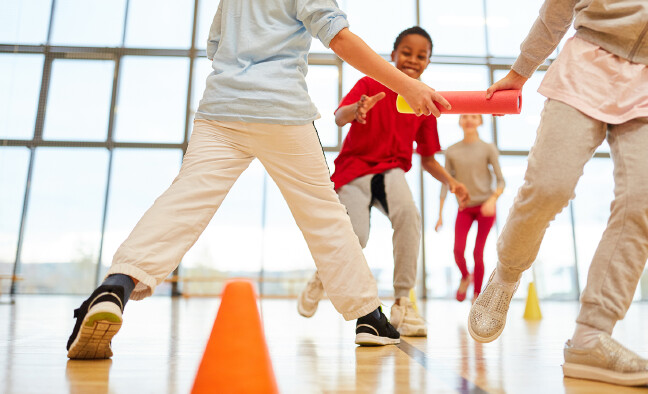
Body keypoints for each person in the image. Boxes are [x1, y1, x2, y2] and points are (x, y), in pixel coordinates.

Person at [66, 0, 453, 359]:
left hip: (221, 110)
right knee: (323, 215)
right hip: (281, 110)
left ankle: (117, 285)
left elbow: (215, 45)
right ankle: (368, 315)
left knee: (182, 202)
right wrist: (407, 84)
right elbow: (338, 37)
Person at [467, 0, 648, 386]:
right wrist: (520, 71)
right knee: (548, 188)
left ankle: (591, 334)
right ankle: (506, 274)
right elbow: (557, 9)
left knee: (646, 199)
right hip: (589, 61)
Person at [297, 26, 469, 337]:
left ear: (428, 62)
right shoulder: (369, 82)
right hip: (354, 170)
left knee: (409, 218)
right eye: (406, 53)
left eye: (421, 56)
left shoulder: (424, 102)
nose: (413, 60)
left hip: (391, 171)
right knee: (356, 238)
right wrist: (357, 108)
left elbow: (428, 158)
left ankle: (403, 302)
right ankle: (322, 277)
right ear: (393, 55)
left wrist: (452, 182)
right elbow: (339, 117)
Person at [435, 114, 504, 303]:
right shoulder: (451, 151)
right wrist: (440, 214)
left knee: (477, 252)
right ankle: (466, 276)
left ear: (481, 122)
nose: (469, 120)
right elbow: (445, 183)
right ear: (459, 122)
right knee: (458, 250)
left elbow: (500, 180)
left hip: (485, 207)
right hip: (465, 207)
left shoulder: (488, 148)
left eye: (474, 117)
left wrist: (493, 199)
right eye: (464, 116)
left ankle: (476, 296)